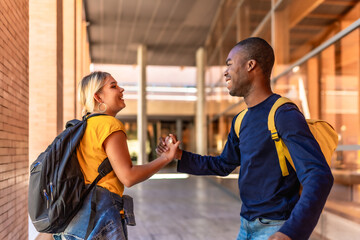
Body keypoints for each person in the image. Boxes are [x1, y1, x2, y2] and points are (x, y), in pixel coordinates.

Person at [157, 37, 334, 240]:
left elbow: (318, 175)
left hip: (276, 228)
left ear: (251, 65)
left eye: (230, 64)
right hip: (246, 227)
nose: (225, 72)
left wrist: (290, 233)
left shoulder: (283, 114)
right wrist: (179, 155)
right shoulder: (240, 120)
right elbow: (223, 165)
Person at [54, 71, 180, 240]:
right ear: (98, 97)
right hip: (100, 220)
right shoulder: (109, 125)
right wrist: (166, 158)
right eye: (113, 86)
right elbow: (128, 176)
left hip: (75, 222)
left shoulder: (81, 127)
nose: (121, 90)